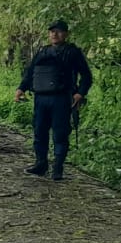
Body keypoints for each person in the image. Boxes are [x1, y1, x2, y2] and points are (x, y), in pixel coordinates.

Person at [15, 18, 92, 181]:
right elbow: (30, 72)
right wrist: (21, 88)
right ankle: (41, 163)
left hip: (62, 98)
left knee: (60, 133)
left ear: (66, 34)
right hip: (41, 98)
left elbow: (86, 75)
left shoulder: (73, 52)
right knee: (39, 131)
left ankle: (58, 167)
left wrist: (80, 93)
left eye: (58, 31)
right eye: (52, 32)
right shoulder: (42, 52)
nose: (54, 34)